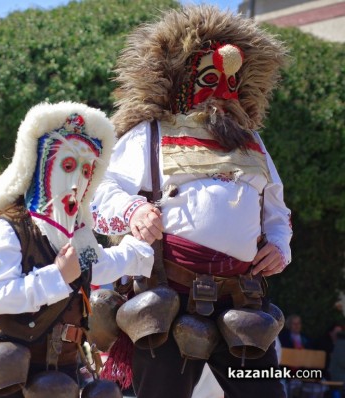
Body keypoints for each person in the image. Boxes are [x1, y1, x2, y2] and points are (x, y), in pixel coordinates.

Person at [90, 6, 292, 398]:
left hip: (242, 297)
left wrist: (280, 245)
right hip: (169, 295)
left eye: (231, 83)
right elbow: (100, 195)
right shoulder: (150, 132)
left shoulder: (254, 144)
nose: (221, 94)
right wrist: (133, 211)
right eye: (211, 79)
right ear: (184, 78)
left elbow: (278, 214)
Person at [0, 102, 155, 397]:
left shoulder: (79, 235)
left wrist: (138, 250)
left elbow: (100, 265)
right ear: (42, 167)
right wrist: (59, 277)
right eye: (68, 165)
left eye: (87, 170)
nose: (78, 180)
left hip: (61, 370)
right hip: (7, 370)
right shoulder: (8, 228)